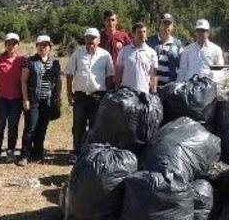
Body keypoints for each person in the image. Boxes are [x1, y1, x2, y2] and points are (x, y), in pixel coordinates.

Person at [64, 27, 114, 163]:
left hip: (98, 96)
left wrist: (108, 96)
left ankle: (92, 154)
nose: (90, 41)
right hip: (80, 96)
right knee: (78, 126)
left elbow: (110, 76)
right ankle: (76, 153)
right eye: (88, 38)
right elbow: (69, 74)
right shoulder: (77, 53)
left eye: (93, 38)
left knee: (95, 127)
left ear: (98, 40)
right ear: (84, 39)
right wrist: (69, 93)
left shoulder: (105, 55)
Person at [19, 35, 62, 166]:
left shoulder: (55, 61)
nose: (43, 47)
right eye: (40, 45)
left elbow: (58, 81)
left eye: (46, 45)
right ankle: (24, 155)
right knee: (31, 128)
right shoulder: (29, 61)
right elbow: (23, 81)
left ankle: (37, 154)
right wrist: (25, 99)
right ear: (36, 46)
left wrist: (58, 98)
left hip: (48, 101)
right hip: (33, 100)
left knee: (42, 128)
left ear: (49, 47)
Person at [0, 33, 25, 165]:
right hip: (1, 99)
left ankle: (10, 151)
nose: (11, 46)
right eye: (8, 43)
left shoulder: (22, 60)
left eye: (14, 43)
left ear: (17, 45)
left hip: (16, 99)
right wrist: (3, 87)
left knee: (13, 126)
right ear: (5, 45)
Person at [116, 22, 158, 93]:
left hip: (143, 94)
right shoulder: (124, 51)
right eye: (139, 32)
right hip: (126, 94)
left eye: (144, 32)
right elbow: (119, 73)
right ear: (133, 34)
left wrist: (154, 92)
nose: (142, 34)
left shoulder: (152, 53)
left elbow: (153, 75)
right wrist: (116, 89)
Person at [147, 13, 183, 88]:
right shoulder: (150, 41)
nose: (166, 26)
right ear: (159, 25)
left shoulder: (178, 44)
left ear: (173, 27)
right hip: (151, 87)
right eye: (164, 23)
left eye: (169, 24)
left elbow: (182, 66)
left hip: (170, 87)